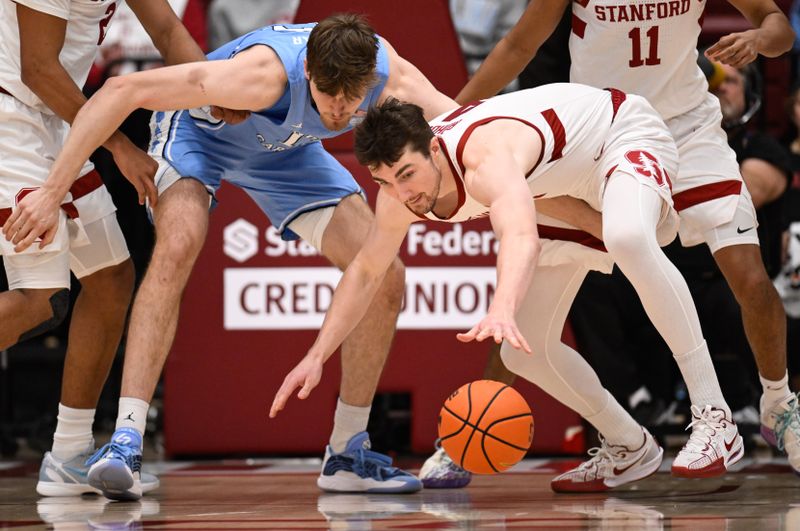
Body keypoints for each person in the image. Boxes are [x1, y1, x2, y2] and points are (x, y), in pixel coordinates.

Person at [2, 14, 457, 500]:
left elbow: (468, 128)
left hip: (285, 153)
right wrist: (52, 192)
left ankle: (347, 452)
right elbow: (119, 91)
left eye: (353, 99)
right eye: (330, 98)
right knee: (177, 247)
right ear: (308, 71)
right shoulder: (259, 75)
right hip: (203, 138)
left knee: (387, 275)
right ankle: (126, 442)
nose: (342, 112)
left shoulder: (389, 74)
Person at [271, 86, 746, 491]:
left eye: (407, 175)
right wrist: (317, 354)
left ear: (434, 148)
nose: (401, 194)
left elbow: (521, 235)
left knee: (626, 237)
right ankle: (627, 444)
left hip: (620, 136)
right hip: (562, 193)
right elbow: (365, 272)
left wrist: (501, 307)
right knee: (525, 352)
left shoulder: (483, 157)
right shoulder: (400, 196)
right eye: (384, 182)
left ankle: (715, 417)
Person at [440, 0, 800, 479]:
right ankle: (617, 441)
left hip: (688, 129)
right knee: (530, 322)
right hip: (599, 135)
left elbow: (778, 26)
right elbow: (518, 44)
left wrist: (759, 40)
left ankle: (777, 404)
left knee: (749, 278)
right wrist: (451, 118)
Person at [0, 0, 242, 498]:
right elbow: (38, 68)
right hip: (11, 113)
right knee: (40, 299)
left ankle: (67, 454)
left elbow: (166, 28)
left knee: (112, 278)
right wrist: (118, 145)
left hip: (57, 119)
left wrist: (214, 96)